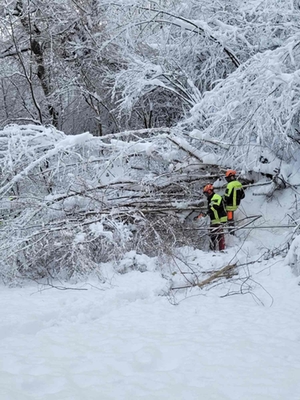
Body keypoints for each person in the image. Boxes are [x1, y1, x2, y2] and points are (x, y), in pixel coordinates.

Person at [202, 184, 228, 251]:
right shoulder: (210, 199)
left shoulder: (216, 197)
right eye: (205, 194)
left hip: (219, 219)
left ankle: (222, 249)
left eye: (207, 193)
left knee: (219, 236)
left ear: (211, 191)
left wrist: (207, 212)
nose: (207, 195)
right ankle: (212, 250)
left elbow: (214, 207)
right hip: (214, 219)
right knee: (212, 235)